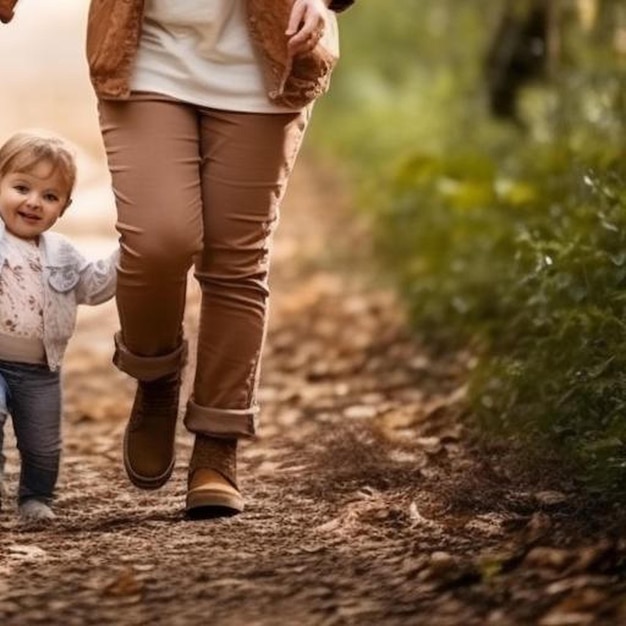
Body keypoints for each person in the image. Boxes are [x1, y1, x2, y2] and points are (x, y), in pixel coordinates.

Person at [1, 0, 355, 519]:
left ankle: (217, 443)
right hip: (145, 51)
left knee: (237, 261)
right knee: (157, 241)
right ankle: (157, 371)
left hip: (267, 58)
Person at [0, 130, 118, 521]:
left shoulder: (62, 253)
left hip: (39, 370)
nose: (34, 202)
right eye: (21, 187)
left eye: (50, 196)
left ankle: (36, 498)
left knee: (43, 446)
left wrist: (132, 249)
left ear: (63, 208)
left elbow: (95, 285)